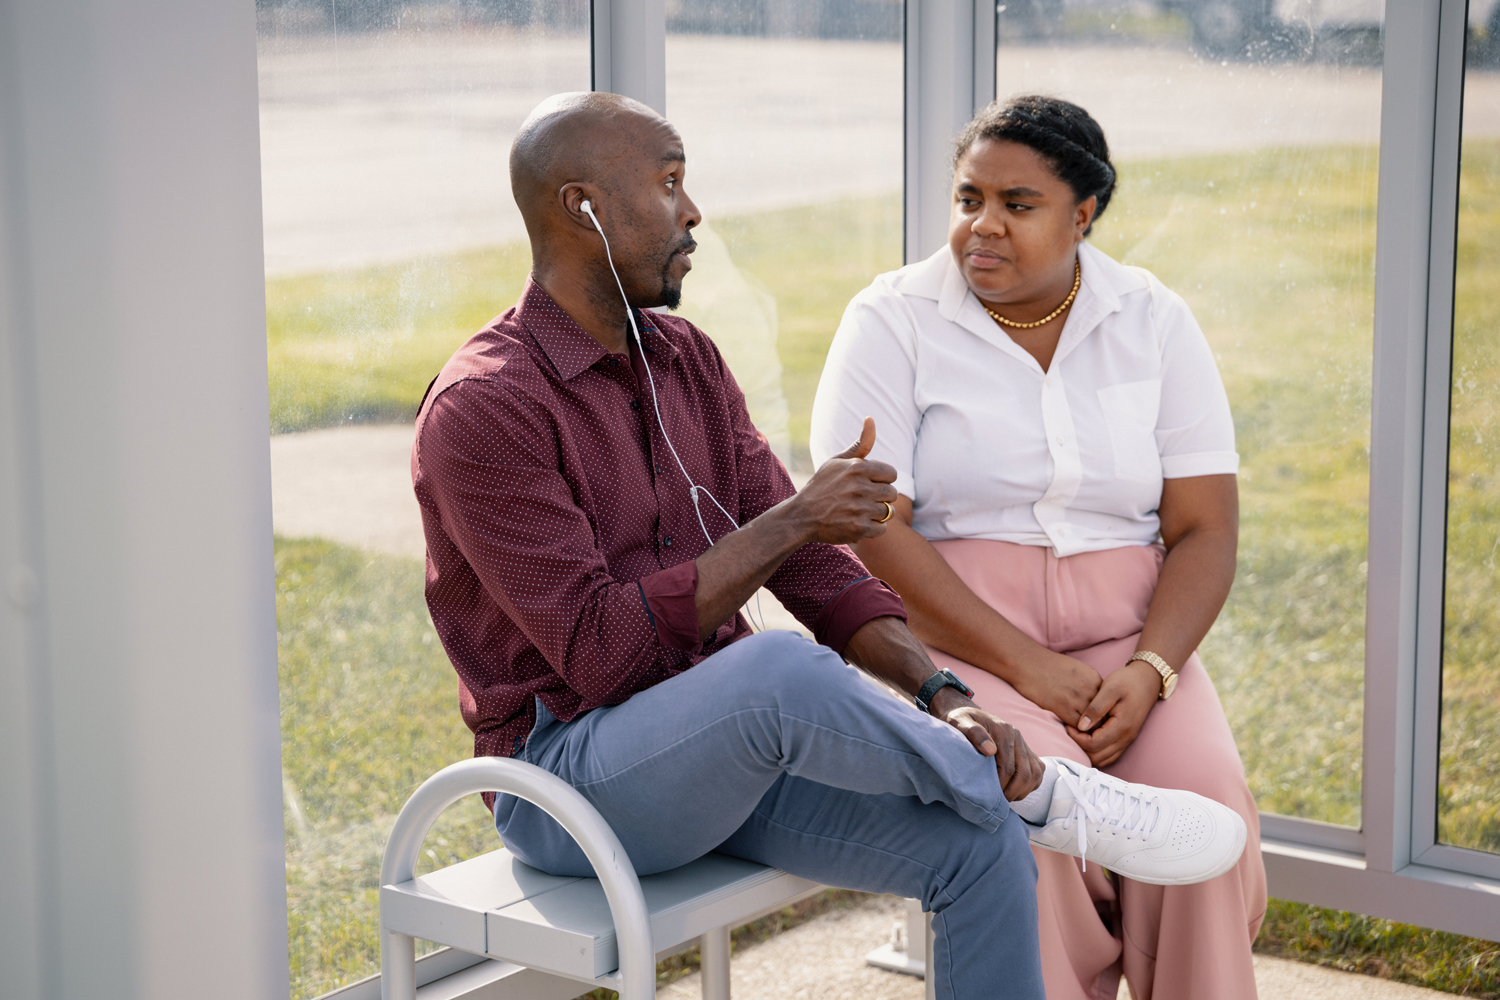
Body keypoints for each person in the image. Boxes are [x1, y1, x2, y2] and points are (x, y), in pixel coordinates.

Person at [413, 91, 1243, 1000]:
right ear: (584, 208)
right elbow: (603, 655)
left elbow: (816, 569)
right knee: (779, 671)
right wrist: (798, 517)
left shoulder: (686, 358)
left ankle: (1017, 802)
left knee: (981, 847)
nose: (694, 212)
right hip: (571, 786)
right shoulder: (486, 409)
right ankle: (1051, 795)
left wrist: (947, 696)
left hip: (724, 758)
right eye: (670, 184)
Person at [810, 95, 1268, 1000]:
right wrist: (1025, 668)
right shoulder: (892, 318)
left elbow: (1205, 528)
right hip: (963, 641)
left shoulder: (1154, 319)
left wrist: (1154, 672)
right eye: (968, 197)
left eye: (1017, 205)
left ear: (1083, 214)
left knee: (1203, 817)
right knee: (1030, 814)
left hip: (1125, 646)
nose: (981, 227)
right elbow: (873, 525)